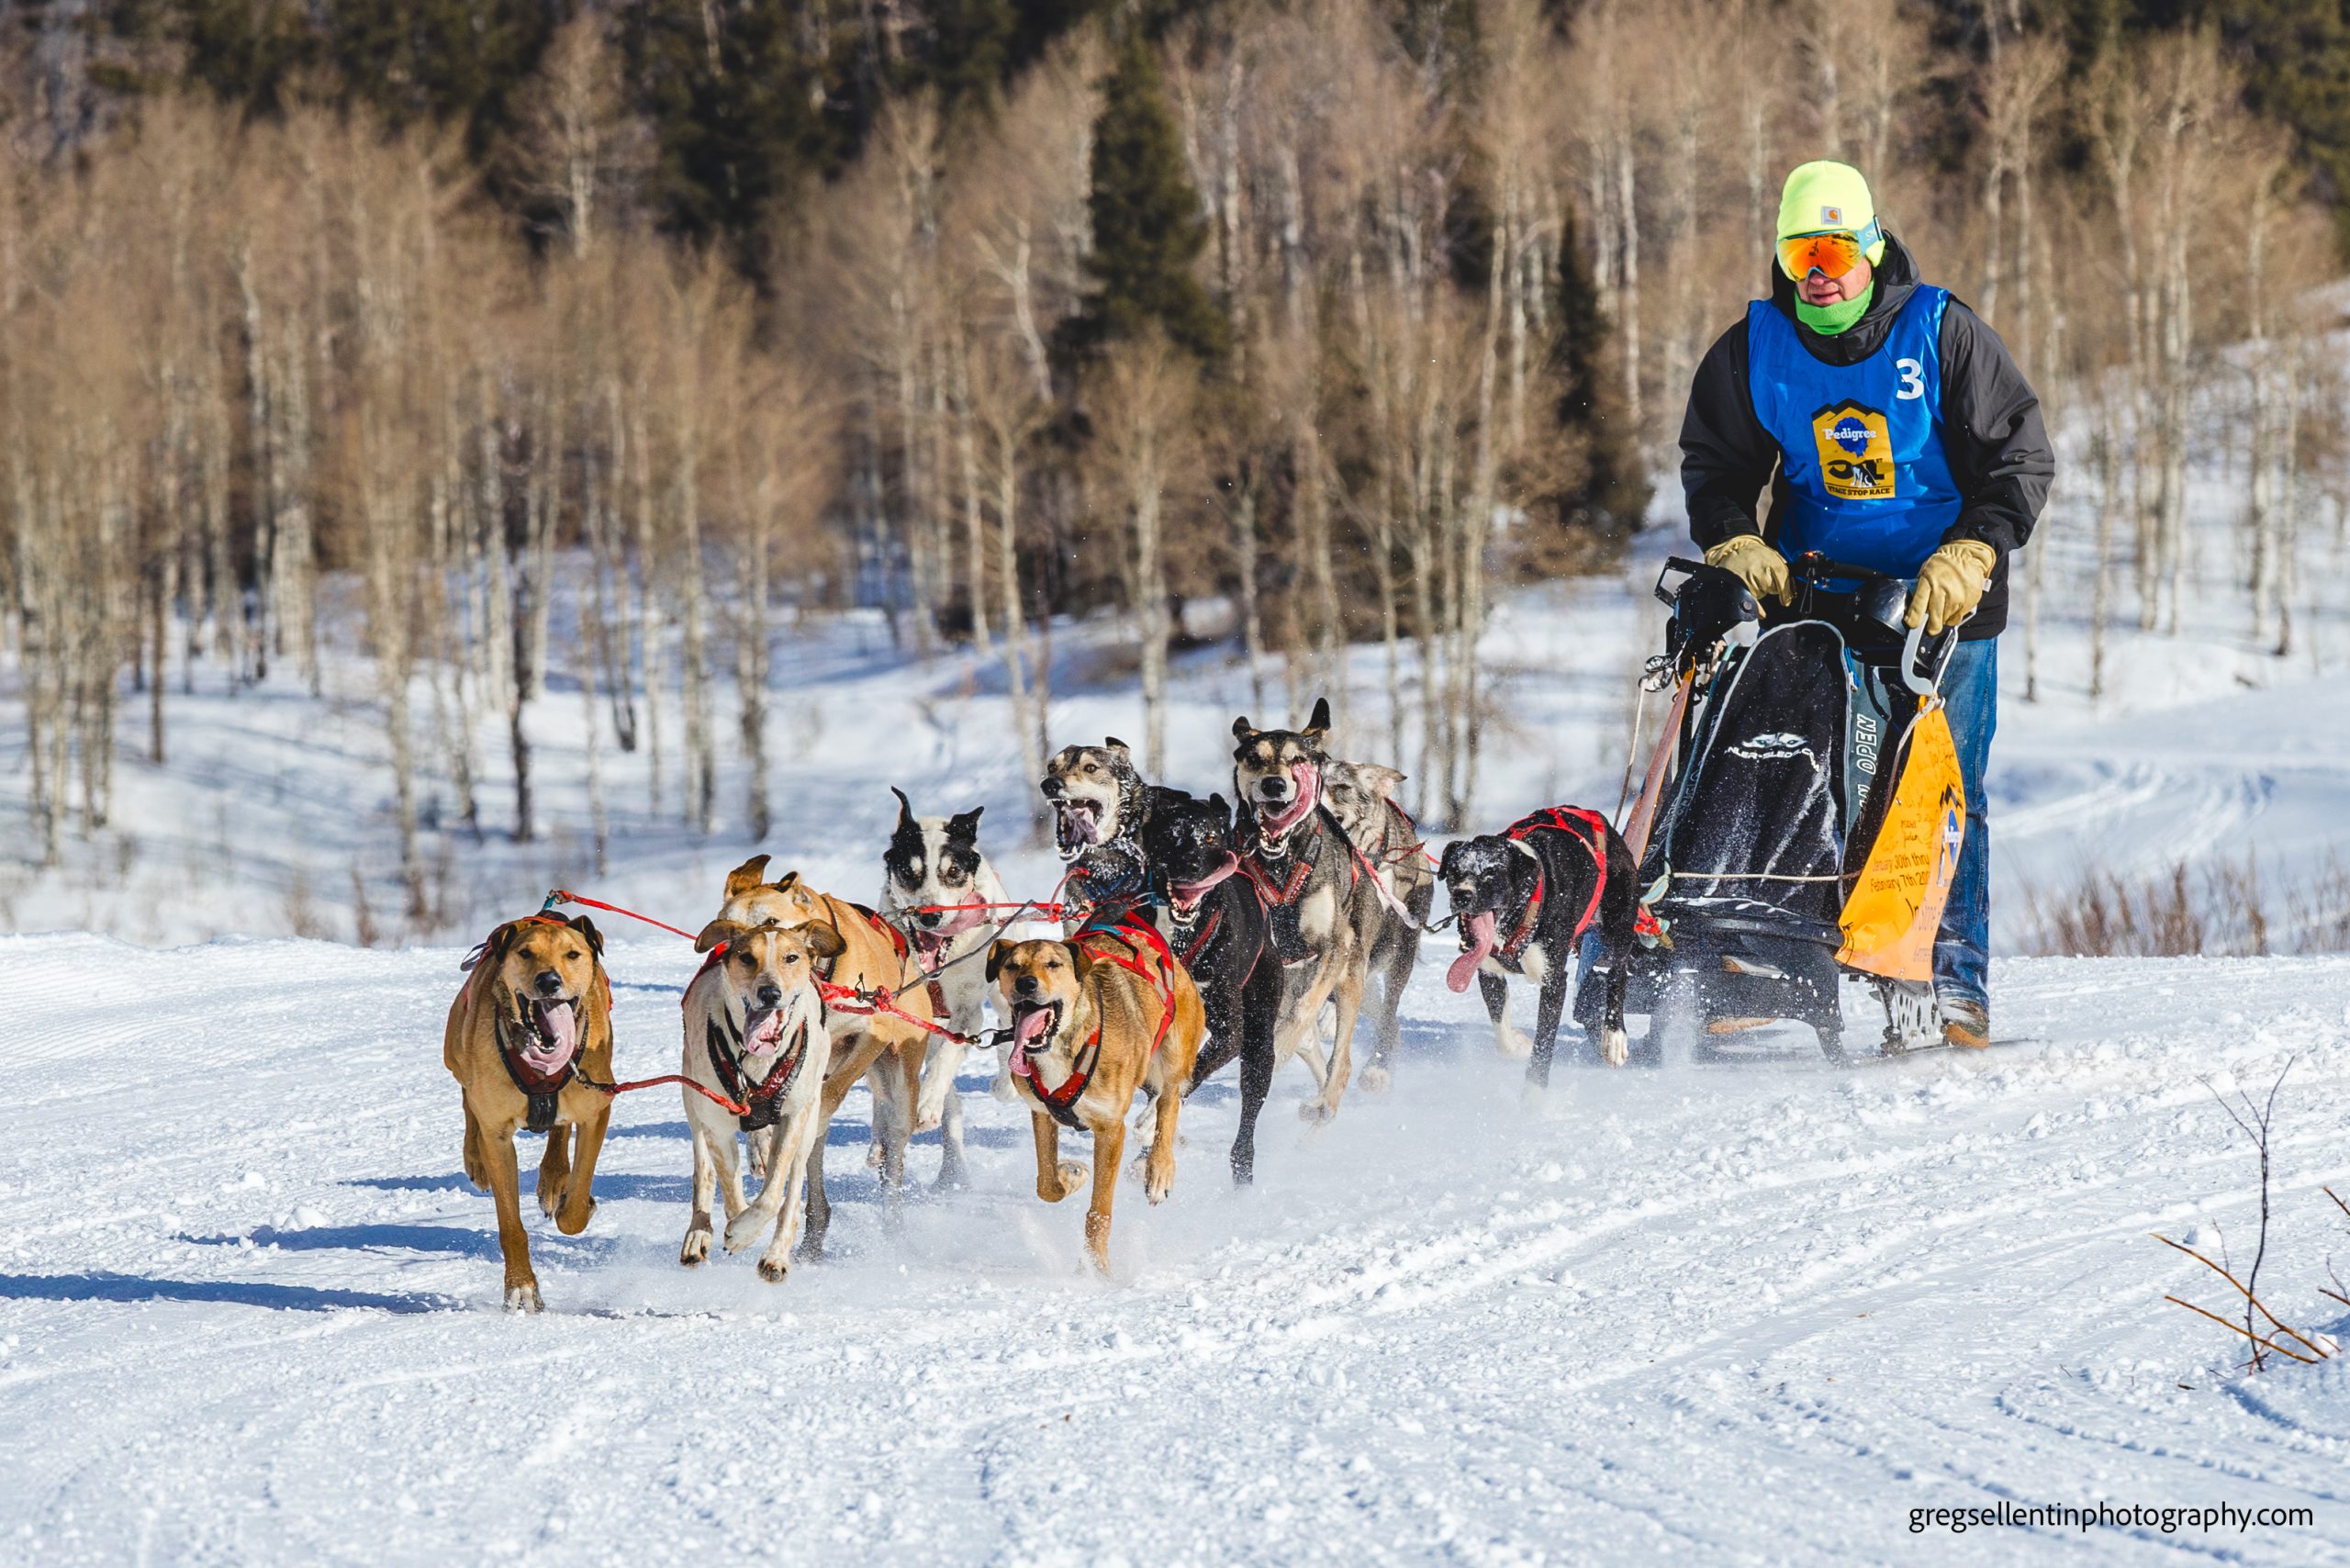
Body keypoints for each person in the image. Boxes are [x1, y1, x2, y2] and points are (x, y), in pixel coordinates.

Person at [1679, 160, 2052, 1049]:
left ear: (1872, 249)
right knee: (1785, 767)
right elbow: (1715, 466)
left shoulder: (1942, 333)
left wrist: (1975, 549)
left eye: (1836, 252)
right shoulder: (1754, 349)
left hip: (1942, 601)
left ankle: (1947, 981)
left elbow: (2019, 456)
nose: (1819, 273)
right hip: (1813, 595)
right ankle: (1757, 959)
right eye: (1800, 253)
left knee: (1940, 792)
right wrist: (1735, 541)